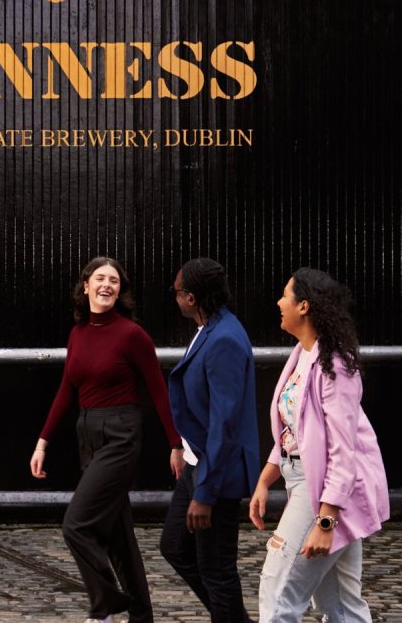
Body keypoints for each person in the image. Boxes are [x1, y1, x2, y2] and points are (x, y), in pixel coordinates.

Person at [31, 256, 184, 623]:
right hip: (87, 433)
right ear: (85, 286)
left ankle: (106, 605)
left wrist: (175, 444)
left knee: (76, 525)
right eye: (100, 278)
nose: (107, 285)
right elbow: (67, 389)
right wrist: (42, 442)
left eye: (113, 281)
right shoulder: (78, 333)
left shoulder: (131, 335)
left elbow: (158, 390)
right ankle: (141, 616)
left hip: (121, 434)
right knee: (118, 534)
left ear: (119, 291)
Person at [249, 268, 389, 623]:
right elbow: (296, 433)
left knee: (278, 592)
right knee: (341, 604)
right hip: (308, 483)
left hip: (325, 494)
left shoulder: (334, 367)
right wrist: (266, 480)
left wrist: (326, 523)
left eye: (285, 296)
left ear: (304, 306)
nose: (279, 302)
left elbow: (343, 452)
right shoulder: (302, 354)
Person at [160, 258, 262, 623]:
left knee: (217, 569)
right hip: (196, 462)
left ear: (190, 297)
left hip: (217, 474)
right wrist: (181, 447)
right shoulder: (209, 328)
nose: (174, 297)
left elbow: (225, 423)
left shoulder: (225, 339)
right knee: (175, 546)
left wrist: (206, 494)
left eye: (176, 291)